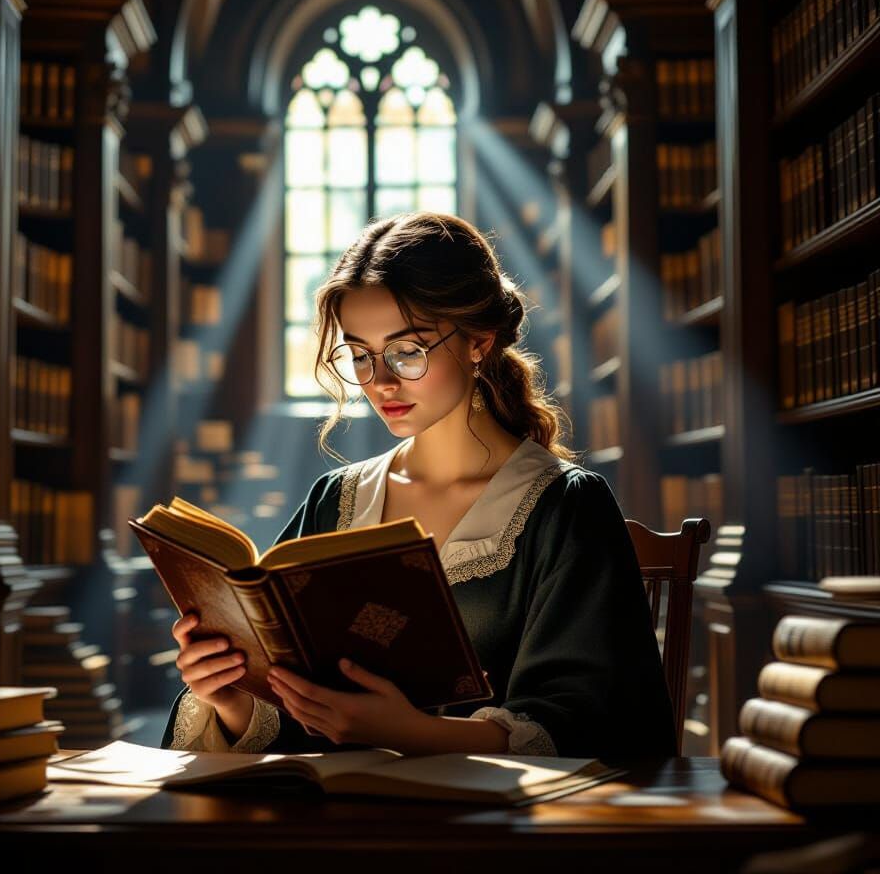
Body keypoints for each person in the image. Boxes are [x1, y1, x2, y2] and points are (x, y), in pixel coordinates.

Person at [162, 211, 677, 759]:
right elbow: (290, 702)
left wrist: (411, 733)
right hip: (338, 818)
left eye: (408, 351)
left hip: (494, 830)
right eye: (359, 355)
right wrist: (227, 694)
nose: (380, 381)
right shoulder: (336, 500)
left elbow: (594, 720)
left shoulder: (565, 505)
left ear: (479, 341)